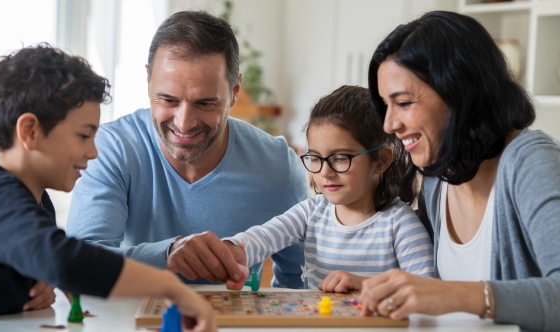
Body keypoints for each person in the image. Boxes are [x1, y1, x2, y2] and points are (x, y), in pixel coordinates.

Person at [0, 44, 215, 331]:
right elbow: (63, 259)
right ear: (30, 131)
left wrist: (34, 284)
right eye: (83, 136)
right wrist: (171, 286)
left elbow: (41, 266)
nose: (93, 152)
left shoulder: (34, 201)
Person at [65, 11, 309, 288]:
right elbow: (79, 264)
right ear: (148, 82)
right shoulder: (111, 149)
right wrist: (166, 254)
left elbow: (302, 285)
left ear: (234, 91)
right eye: (168, 99)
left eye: (205, 103)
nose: (184, 123)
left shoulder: (279, 168)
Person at [358, 10, 560, 332]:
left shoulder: (530, 162)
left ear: (459, 91)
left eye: (404, 103)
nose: (389, 124)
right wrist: (379, 288)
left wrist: (457, 294)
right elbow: (435, 295)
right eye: (386, 105)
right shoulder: (437, 181)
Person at [221, 85, 434, 291]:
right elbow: (264, 237)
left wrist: (364, 284)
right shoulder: (311, 212)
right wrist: (232, 251)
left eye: (340, 158)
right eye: (315, 158)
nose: (325, 172)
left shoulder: (401, 225)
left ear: (381, 160)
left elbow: (425, 290)